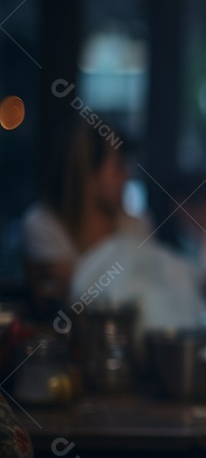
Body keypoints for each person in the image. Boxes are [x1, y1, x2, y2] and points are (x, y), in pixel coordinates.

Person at [21, 121, 148, 314]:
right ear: (88, 172)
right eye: (119, 167)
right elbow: (83, 288)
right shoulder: (42, 225)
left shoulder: (137, 225)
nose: (127, 175)